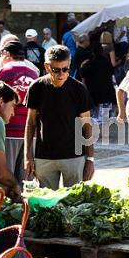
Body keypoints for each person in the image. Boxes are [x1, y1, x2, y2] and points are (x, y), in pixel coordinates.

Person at [24, 45, 94, 190]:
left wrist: (90, 159)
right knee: (48, 206)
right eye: (56, 70)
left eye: (65, 69)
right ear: (47, 67)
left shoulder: (79, 89)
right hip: (44, 156)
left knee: (75, 204)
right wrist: (28, 156)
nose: (61, 74)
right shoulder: (36, 87)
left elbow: (87, 125)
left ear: (69, 65)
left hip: (74, 156)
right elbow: (30, 124)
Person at [0, 41, 39, 185]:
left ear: (7, 54)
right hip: (31, 131)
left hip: (9, 129)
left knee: (6, 177)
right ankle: (26, 207)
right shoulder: (33, 72)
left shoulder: (5, 71)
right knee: (27, 179)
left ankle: (8, 206)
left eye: (2, 53)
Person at [80, 41, 116, 124]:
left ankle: (93, 133)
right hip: (105, 94)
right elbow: (112, 76)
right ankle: (104, 133)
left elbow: (83, 79)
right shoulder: (106, 63)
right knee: (104, 118)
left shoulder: (87, 64)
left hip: (92, 94)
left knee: (93, 117)